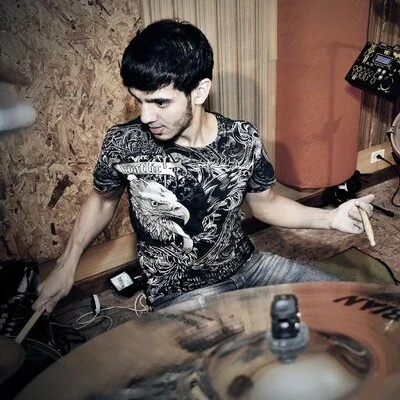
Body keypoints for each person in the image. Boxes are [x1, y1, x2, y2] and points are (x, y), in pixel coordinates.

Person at [33, 19, 374, 313]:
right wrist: (67, 263)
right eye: (139, 101)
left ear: (199, 92)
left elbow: (266, 204)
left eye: (160, 102)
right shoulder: (124, 142)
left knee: (354, 307)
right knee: (229, 363)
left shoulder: (242, 138)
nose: (146, 116)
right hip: (180, 292)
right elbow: (102, 200)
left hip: (251, 267)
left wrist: (330, 218)